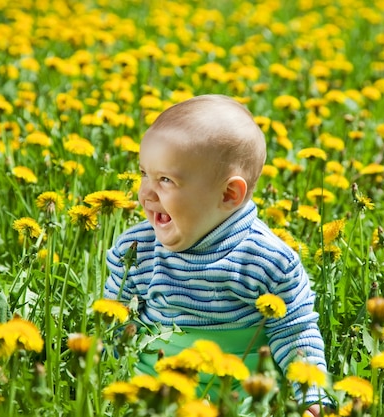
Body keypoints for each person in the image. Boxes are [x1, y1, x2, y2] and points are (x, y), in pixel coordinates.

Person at [105, 94, 334, 415]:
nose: (145, 193)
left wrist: (313, 396)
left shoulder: (268, 260)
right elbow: (115, 320)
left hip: (240, 395)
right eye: (144, 173)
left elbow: (294, 331)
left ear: (229, 194)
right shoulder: (137, 250)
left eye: (166, 180)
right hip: (155, 388)